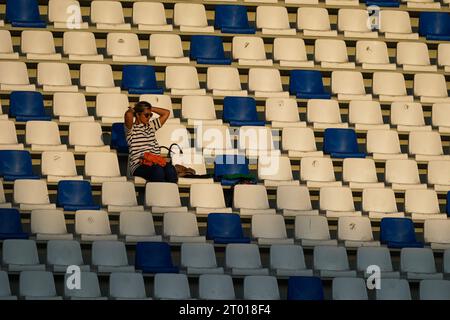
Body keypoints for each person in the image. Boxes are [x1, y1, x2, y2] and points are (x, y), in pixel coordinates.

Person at [124, 101, 178, 183]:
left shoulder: (151, 126)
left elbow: (166, 113)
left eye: (150, 115)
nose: (149, 117)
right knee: (158, 171)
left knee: (170, 169)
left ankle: (171, 194)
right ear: (138, 115)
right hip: (139, 165)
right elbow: (128, 115)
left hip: (155, 162)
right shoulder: (131, 130)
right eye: (146, 115)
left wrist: (149, 109)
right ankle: (158, 195)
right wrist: (133, 110)